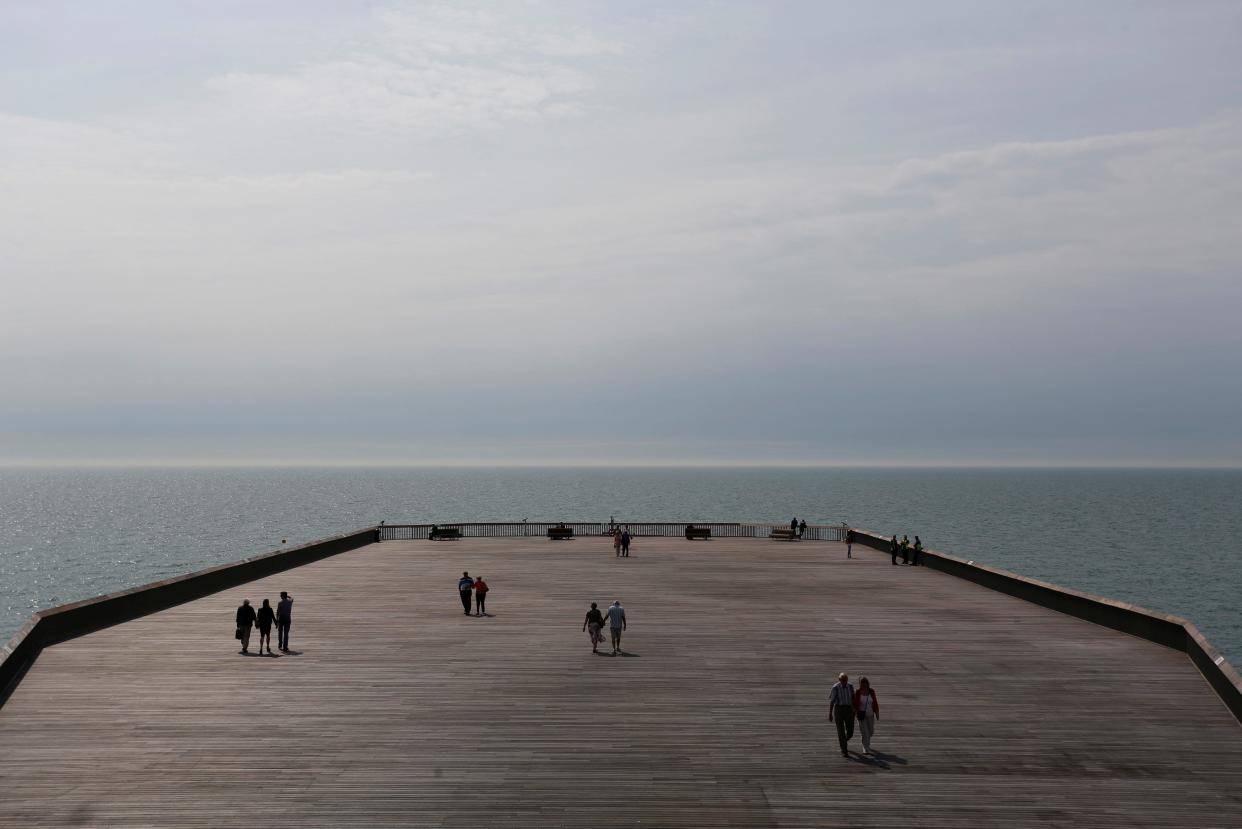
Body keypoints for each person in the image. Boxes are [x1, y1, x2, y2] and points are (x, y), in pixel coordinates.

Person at [828, 672, 856, 757]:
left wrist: (854, 709)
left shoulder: (850, 686)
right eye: (843, 680)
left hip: (849, 709)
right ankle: (844, 749)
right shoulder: (835, 687)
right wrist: (830, 713)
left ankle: (844, 740)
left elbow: (853, 698)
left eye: (846, 680)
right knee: (841, 731)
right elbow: (832, 701)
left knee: (850, 731)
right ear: (839, 680)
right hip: (839, 709)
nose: (845, 682)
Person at [853, 677, 880, 755]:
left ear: (867, 684)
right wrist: (854, 712)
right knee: (865, 732)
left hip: (870, 714)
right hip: (861, 715)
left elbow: (875, 702)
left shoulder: (871, 691)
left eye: (865, 684)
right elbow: (854, 703)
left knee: (871, 731)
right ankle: (865, 748)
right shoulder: (857, 692)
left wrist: (877, 712)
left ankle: (866, 742)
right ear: (860, 684)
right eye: (862, 684)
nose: (864, 686)